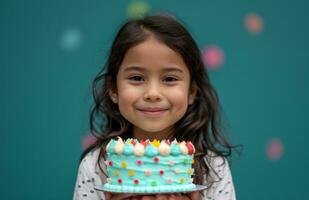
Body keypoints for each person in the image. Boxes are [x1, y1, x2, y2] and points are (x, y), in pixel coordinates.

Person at [73, 14, 239, 200]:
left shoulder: (213, 167)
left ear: (191, 91)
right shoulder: (97, 166)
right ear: (114, 89)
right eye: (137, 78)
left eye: (169, 79)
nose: (153, 93)